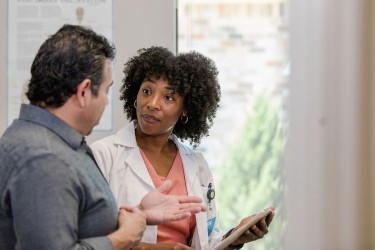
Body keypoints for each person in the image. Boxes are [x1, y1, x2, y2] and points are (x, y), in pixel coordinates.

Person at [0, 25, 207, 250]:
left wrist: (139, 213)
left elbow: (74, 224)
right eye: (106, 91)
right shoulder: (44, 159)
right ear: (84, 92)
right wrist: (123, 239)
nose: (107, 101)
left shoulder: (47, 142)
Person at [90, 46, 275, 250]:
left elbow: (206, 240)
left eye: (168, 97)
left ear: (186, 108)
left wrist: (234, 238)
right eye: (147, 91)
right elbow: (90, 236)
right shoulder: (103, 155)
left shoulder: (197, 164)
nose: (152, 104)